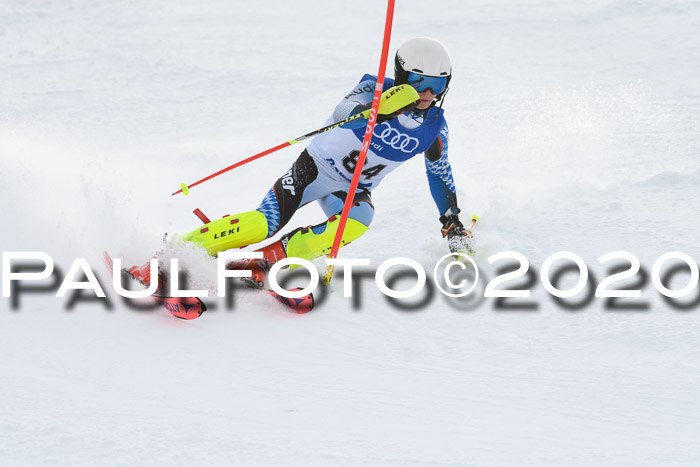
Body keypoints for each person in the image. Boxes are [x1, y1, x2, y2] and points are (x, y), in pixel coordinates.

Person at [129, 37, 472, 289]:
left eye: (437, 84)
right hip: (314, 170)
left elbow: (439, 175)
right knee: (262, 223)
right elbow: (342, 114)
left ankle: (269, 259)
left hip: (352, 188)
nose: (426, 92)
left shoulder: (434, 129)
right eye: (418, 81)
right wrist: (376, 111)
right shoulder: (373, 88)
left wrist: (451, 220)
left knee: (360, 219)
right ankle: (173, 253)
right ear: (400, 75)